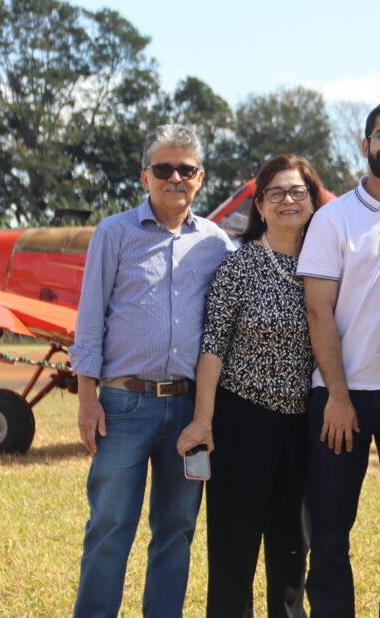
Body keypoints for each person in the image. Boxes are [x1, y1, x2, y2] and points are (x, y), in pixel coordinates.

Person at [70, 124, 235, 617]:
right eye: (163, 169)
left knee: (176, 530)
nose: (175, 178)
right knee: (109, 526)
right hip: (122, 404)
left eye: (186, 169)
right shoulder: (113, 233)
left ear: (200, 178)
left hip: (188, 409)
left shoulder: (217, 243)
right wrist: (86, 398)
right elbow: (89, 318)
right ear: (145, 176)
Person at [297, 99, 380, 617]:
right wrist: (335, 394)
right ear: (366, 145)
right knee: (330, 525)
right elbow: (318, 312)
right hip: (342, 395)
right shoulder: (333, 219)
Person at [176, 154, 327, 617]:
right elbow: (213, 348)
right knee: (234, 550)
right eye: (275, 193)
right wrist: (203, 420)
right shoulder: (238, 267)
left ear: (312, 200)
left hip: (302, 425)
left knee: (291, 551)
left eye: (297, 192)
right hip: (242, 421)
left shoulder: (327, 269)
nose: (287, 200)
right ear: (259, 205)